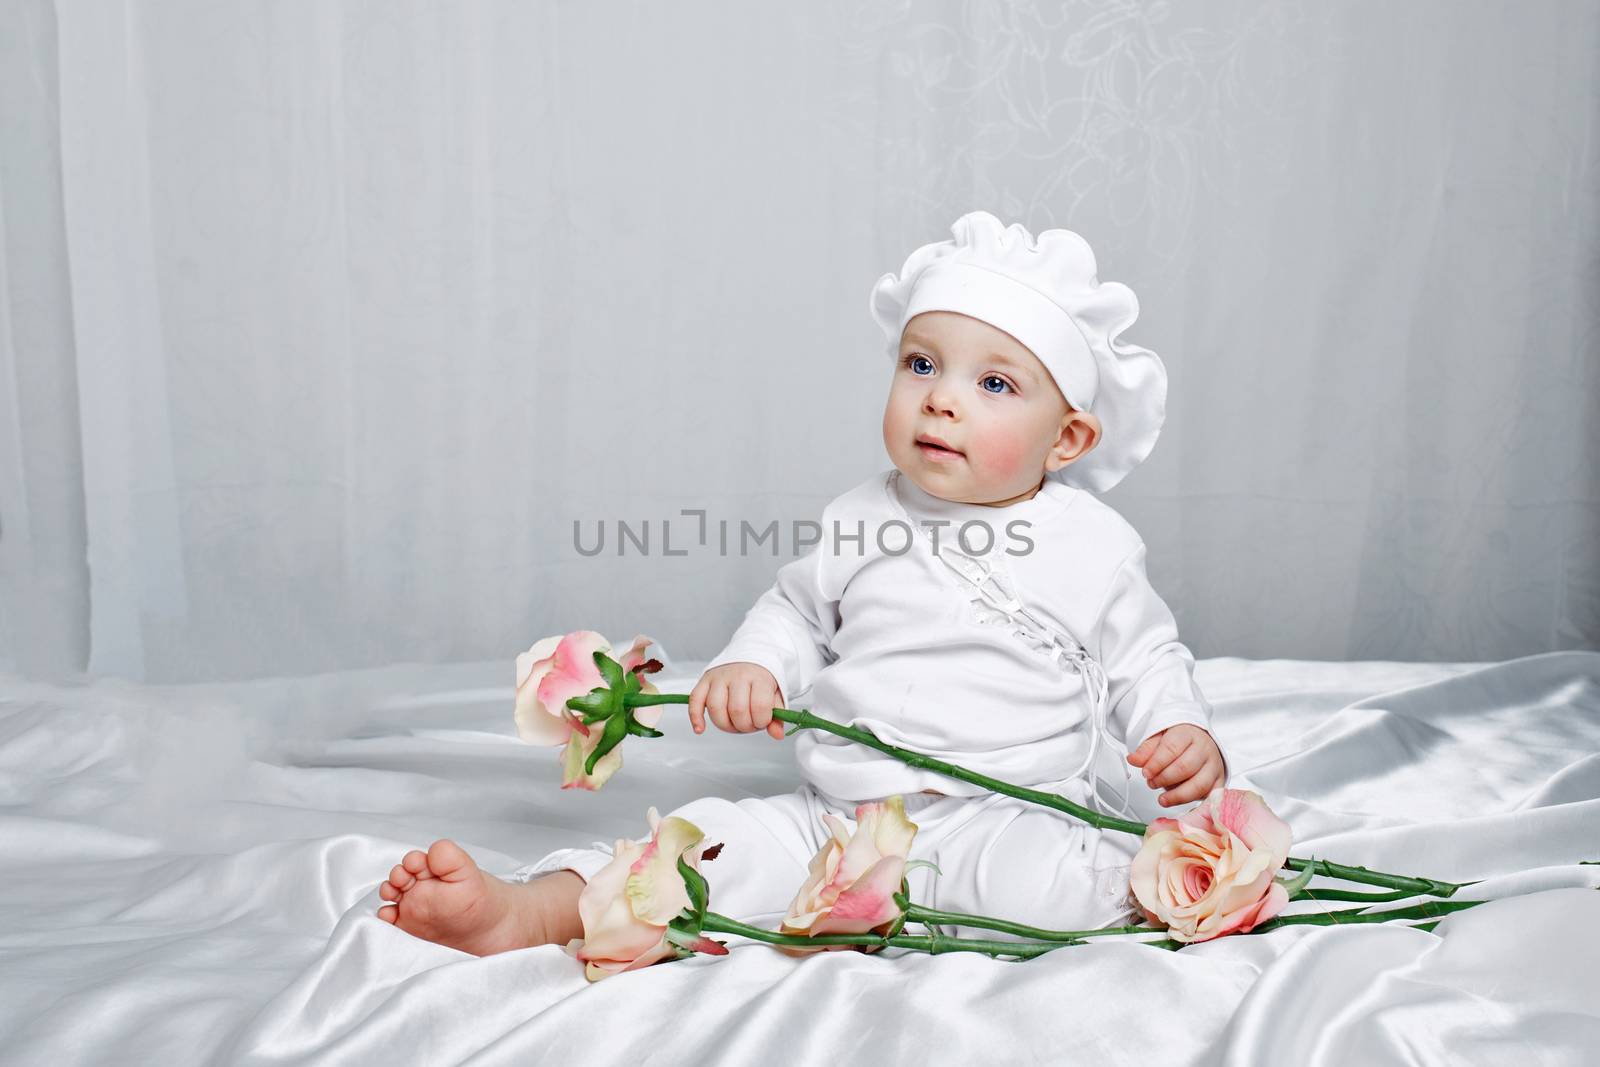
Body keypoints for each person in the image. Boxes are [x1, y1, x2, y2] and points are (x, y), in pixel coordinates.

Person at [376, 210, 1231, 956]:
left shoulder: (1093, 544)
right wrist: (758, 664)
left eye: (995, 383)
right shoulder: (862, 514)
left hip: (999, 813)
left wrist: (1179, 725)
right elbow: (794, 611)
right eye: (922, 365)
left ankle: (1166, 885)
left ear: (1068, 439)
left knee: (1056, 888)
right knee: (704, 848)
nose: (941, 401)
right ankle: (532, 910)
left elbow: (1145, 656)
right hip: (834, 818)